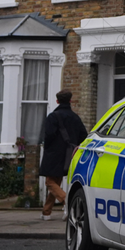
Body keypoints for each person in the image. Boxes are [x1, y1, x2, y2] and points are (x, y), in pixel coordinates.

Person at [39, 90, 87, 221]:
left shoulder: (53, 117)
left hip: (54, 153)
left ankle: (68, 200)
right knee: (56, 182)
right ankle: (46, 212)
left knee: (49, 182)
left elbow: (48, 135)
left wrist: (48, 148)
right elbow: (84, 135)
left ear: (57, 101)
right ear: (70, 101)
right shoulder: (75, 117)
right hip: (69, 154)